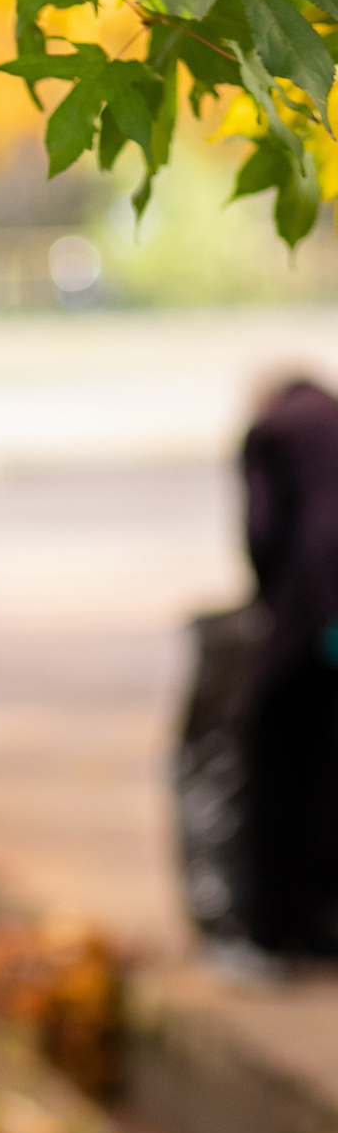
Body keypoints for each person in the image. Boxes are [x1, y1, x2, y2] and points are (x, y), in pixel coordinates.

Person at [237, 374, 338, 955]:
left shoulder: (271, 431)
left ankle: (277, 929)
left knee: (280, 764)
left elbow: (262, 531)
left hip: (311, 616)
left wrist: (270, 603)